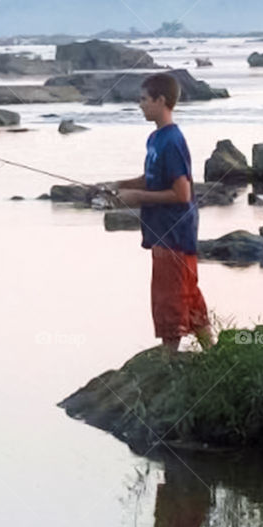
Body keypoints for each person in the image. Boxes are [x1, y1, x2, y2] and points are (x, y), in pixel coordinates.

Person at [108, 73, 211, 356]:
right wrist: (118, 186)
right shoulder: (155, 138)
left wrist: (135, 198)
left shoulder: (173, 140)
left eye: (144, 100)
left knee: (170, 295)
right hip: (160, 230)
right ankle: (212, 351)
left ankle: (168, 360)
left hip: (176, 231)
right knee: (186, 291)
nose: (140, 105)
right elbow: (150, 178)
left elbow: (182, 194)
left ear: (160, 101)